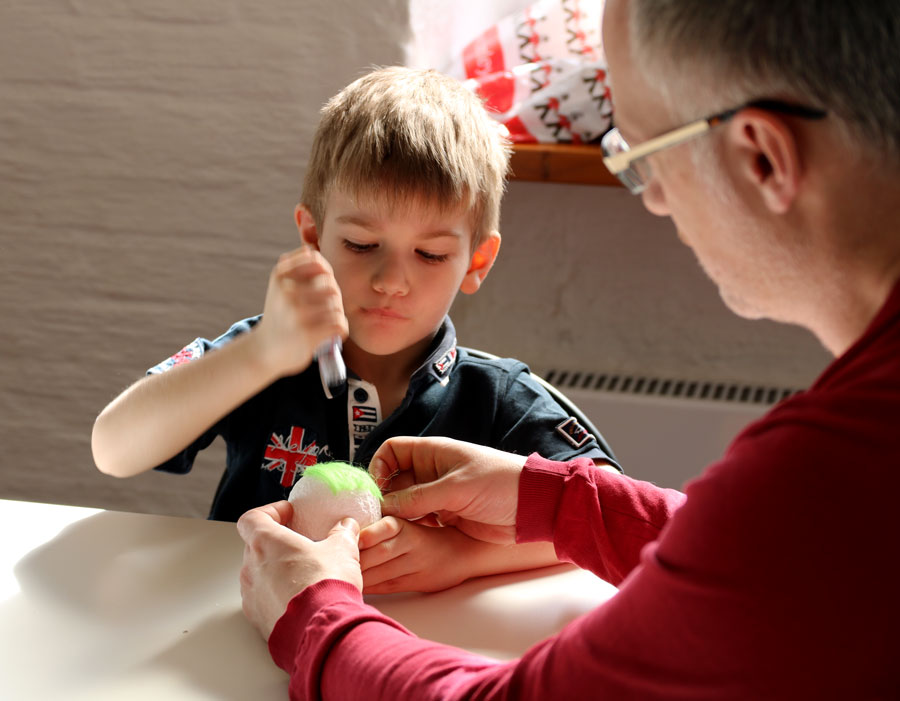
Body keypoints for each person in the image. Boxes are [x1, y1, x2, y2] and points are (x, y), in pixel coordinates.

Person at [236, 0, 900, 698]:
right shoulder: (845, 473)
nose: (654, 199)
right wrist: (555, 502)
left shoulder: (824, 478)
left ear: (761, 156)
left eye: (643, 157)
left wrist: (314, 614)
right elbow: (773, 557)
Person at [91, 66, 619, 593]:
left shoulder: (497, 396)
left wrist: (462, 556)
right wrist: (259, 355)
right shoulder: (263, 355)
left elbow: (610, 517)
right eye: (362, 245)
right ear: (313, 236)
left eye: (430, 254)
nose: (391, 281)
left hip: (414, 642)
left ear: (477, 260)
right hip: (245, 627)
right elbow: (112, 448)